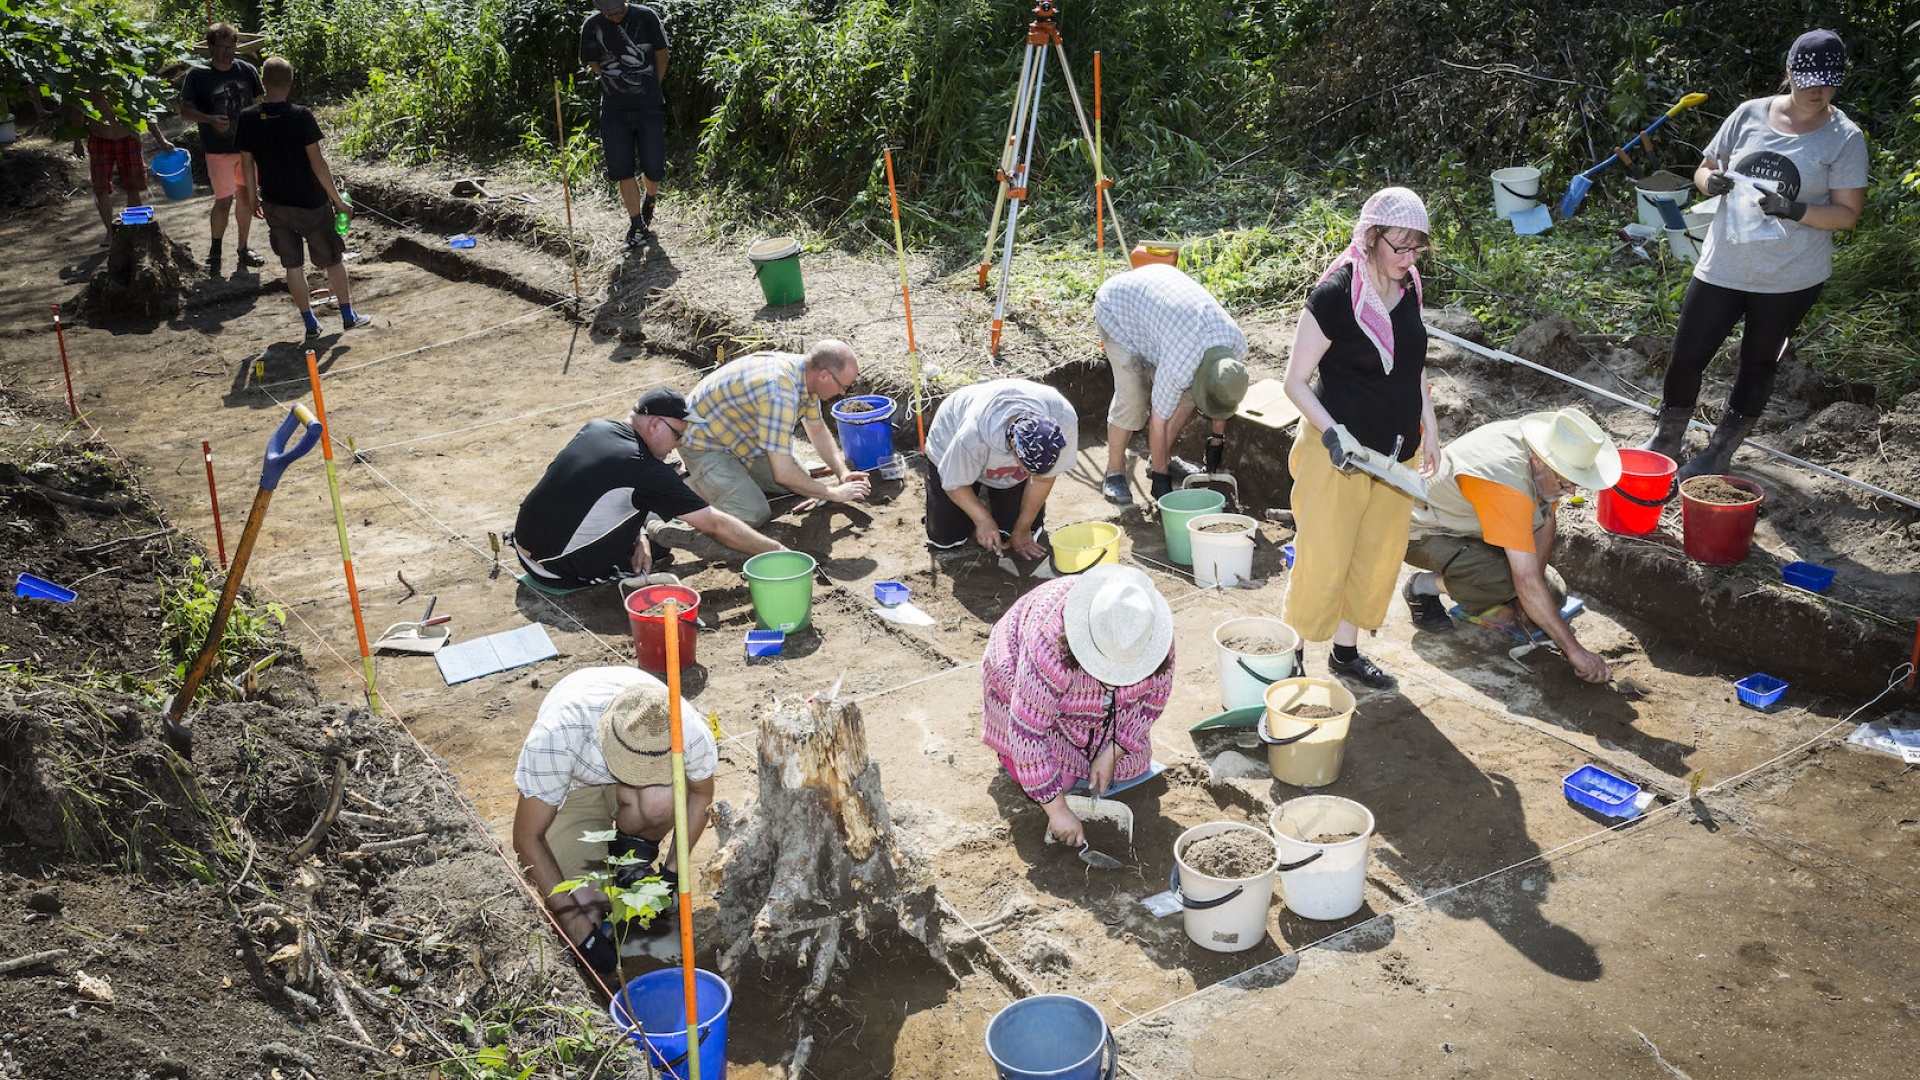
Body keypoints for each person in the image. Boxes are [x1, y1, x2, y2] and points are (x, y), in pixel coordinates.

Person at [1640, 29, 1867, 480]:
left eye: (1827, 81)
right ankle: (1667, 437)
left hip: (1789, 276)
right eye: (1807, 79)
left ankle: (1720, 450)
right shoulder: (1748, 114)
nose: (1816, 90)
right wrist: (1711, 183)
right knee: (1687, 354)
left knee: (1759, 360)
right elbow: (1704, 169)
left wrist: (1795, 209)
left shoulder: (1844, 138)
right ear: (1789, 72)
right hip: (1723, 264)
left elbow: (1846, 214)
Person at [1282, 187, 1441, 692]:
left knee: (1376, 555)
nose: (1410, 258)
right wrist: (1333, 434)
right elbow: (1294, 380)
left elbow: (1414, 363)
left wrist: (1430, 427)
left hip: (1396, 456)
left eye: (1417, 248)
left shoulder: (1409, 285)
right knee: (1324, 556)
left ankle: (1346, 653)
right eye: (1401, 247)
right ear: (1371, 238)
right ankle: (1293, 653)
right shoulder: (1335, 296)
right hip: (1340, 454)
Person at [512, 667, 716, 975]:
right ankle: (600, 892)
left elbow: (700, 795)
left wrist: (672, 875)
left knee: (662, 799)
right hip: (574, 789)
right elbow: (527, 839)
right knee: (587, 905)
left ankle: (629, 863)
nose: (639, 776)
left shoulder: (688, 730)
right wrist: (583, 936)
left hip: (641, 794)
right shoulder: (556, 737)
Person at [1402, 408, 1620, 684]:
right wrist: (1573, 650)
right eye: (1567, 482)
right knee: (1506, 585)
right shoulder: (1506, 481)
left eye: (1576, 483)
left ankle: (1489, 586)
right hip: (1420, 530)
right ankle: (1422, 587)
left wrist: (1528, 597)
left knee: (1553, 593)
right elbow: (1525, 581)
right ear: (1538, 463)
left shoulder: (1548, 462)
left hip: (1471, 525)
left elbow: (1545, 519)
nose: (1572, 492)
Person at [512, 388, 783, 588]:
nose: (678, 443)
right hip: (556, 568)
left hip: (524, 543)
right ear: (655, 425)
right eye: (678, 434)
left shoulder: (597, 428)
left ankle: (646, 531)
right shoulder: (645, 469)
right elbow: (714, 525)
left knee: (643, 507)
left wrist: (638, 537)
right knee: (660, 543)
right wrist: (776, 551)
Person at [982, 565, 1174, 846]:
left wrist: (1112, 751)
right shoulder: (1049, 643)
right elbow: (1028, 731)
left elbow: (1153, 700)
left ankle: (1091, 749)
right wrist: (1057, 811)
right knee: (1063, 782)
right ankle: (1010, 756)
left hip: (1094, 708)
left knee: (1130, 767)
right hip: (1020, 680)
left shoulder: (1146, 630)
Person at [233, 57, 372, 338]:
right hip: (310, 202)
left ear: (262, 83)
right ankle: (348, 316)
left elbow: (246, 163)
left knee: (292, 265)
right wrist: (337, 200)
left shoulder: (248, 118)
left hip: (274, 201)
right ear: (291, 83)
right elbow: (317, 163)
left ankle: (310, 323)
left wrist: (252, 197)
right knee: (333, 259)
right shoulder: (300, 115)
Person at [1091, 263, 1250, 505]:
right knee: (1134, 395)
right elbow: (1159, 419)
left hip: (1161, 317)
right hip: (1120, 310)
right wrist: (1161, 479)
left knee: (1190, 394)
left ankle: (1159, 458)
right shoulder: (1181, 365)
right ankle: (1114, 471)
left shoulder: (1236, 345)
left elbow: (1223, 396)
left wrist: (1217, 441)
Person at [679, 341, 871, 528]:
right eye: (843, 387)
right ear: (823, 375)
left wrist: (843, 474)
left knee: (800, 478)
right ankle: (687, 487)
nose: (841, 393)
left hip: (741, 438)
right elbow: (784, 474)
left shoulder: (805, 375)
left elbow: (818, 430)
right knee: (753, 514)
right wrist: (833, 493)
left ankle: (727, 479)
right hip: (703, 441)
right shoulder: (779, 393)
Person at [924, 378, 1077, 559]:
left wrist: (1023, 527)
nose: (1030, 476)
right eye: (1027, 469)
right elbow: (952, 483)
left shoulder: (1063, 420)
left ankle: (992, 497)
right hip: (950, 442)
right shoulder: (971, 437)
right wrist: (982, 519)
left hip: (991, 456)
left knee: (1016, 531)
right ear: (1013, 445)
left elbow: (1044, 479)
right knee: (946, 536)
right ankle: (979, 495)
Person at [580, 0, 670, 249]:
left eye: (617, 11)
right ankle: (636, 225)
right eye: (607, 14)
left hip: (649, 106)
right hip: (613, 109)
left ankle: (649, 198)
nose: (613, 17)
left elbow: (662, 55)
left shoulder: (646, 17)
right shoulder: (592, 25)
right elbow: (593, 63)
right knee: (622, 169)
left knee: (654, 167)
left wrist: (652, 86)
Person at [177, 22, 265, 275]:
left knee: (246, 198)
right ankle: (215, 251)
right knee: (223, 200)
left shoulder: (247, 70)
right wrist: (211, 120)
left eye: (232, 46)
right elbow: (184, 109)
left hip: (247, 148)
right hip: (217, 148)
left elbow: (260, 104)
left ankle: (243, 248)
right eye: (223, 47)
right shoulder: (198, 74)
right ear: (211, 47)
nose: (228, 52)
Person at [78, 89, 175, 241]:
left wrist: (161, 140)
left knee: (134, 186)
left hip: (128, 136)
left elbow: (145, 109)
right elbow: (78, 111)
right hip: (100, 138)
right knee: (100, 187)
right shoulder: (87, 83)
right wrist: (77, 142)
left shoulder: (127, 78)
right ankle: (110, 233)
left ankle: (133, 231)